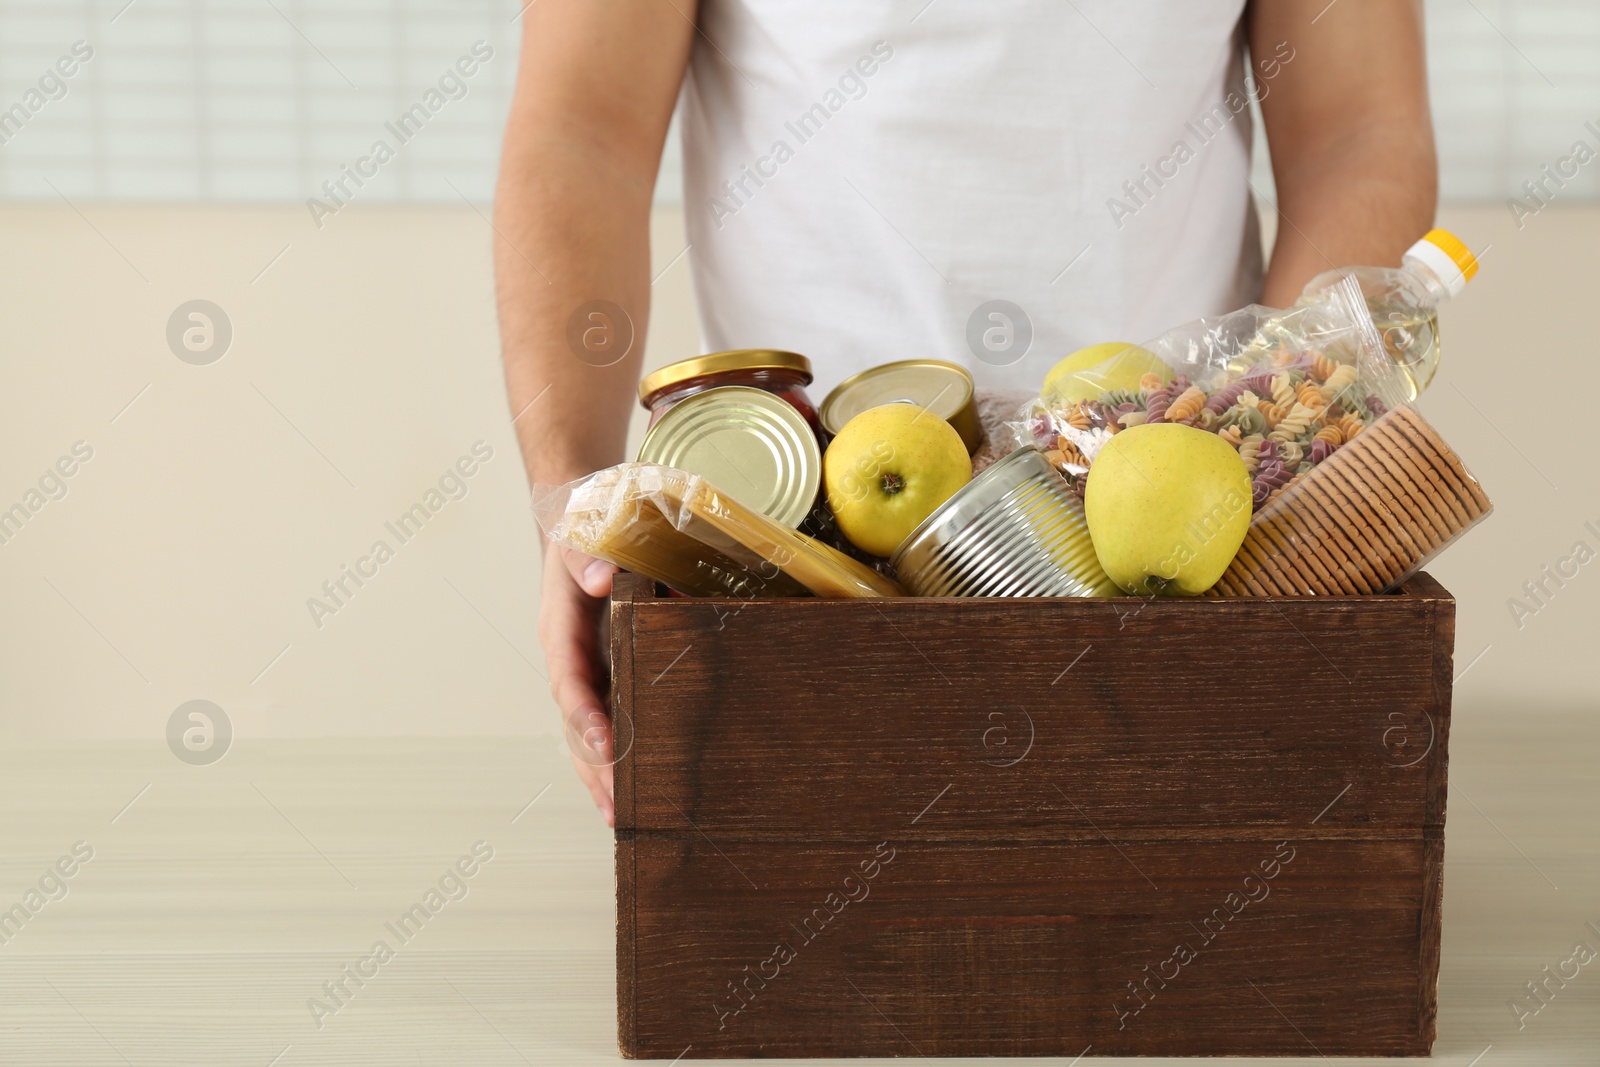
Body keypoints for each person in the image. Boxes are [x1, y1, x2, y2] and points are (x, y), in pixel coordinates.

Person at [493, 0, 1437, 824]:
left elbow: (1355, 131)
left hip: (1196, 551)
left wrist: (1278, 446)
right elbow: (585, 130)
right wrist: (571, 511)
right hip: (805, 558)